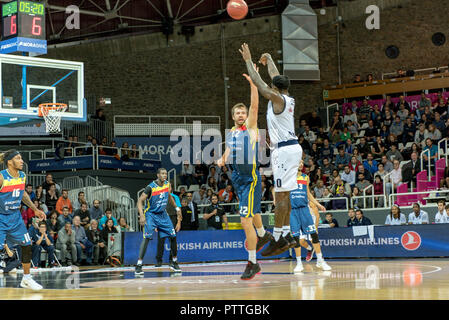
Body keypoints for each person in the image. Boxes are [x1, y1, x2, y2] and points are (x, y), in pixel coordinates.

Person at [218, 57, 272, 280]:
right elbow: (229, 150)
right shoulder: (232, 132)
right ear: (233, 117)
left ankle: (252, 262)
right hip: (238, 180)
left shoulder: (250, 127)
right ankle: (263, 234)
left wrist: (253, 85)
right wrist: (222, 159)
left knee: (244, 220)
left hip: (250, 180)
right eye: (238, 113)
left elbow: (255, 106)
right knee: (255, 214)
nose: (242, 115)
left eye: (243, 112)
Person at [0, 150, 45, 290]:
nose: (22, 161)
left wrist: (35, 209)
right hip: (1, 217)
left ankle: (26, 279)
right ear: (9, 162)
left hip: (15, 218)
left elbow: (23, 193)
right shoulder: (2, 177)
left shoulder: (22, 176)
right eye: (18, 158)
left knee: (26, 244)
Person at [135, 168, 182, 275]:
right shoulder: (150, 187)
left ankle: (174, 262)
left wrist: (177, 208)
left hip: (163, 214)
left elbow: (169, 196)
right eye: (162, 173)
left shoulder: (167, 184)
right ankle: (139, 265)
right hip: (151, 214)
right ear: (158, 175)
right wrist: (142, 215)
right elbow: (139, 201)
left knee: (173, 236)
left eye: (166, 173)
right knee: (147, 237)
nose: (165, 175)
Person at [289, 160, 331, 272]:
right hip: (293, 211)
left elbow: (308, 194)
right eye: (299, 162)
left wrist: (318, 204)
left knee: (314, 235)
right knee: (296, 238)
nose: (301, 164)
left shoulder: (305, 177)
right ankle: (298, 263)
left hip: (304, 209)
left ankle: (320, 261)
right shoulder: (288, 177)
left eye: (302, 162)